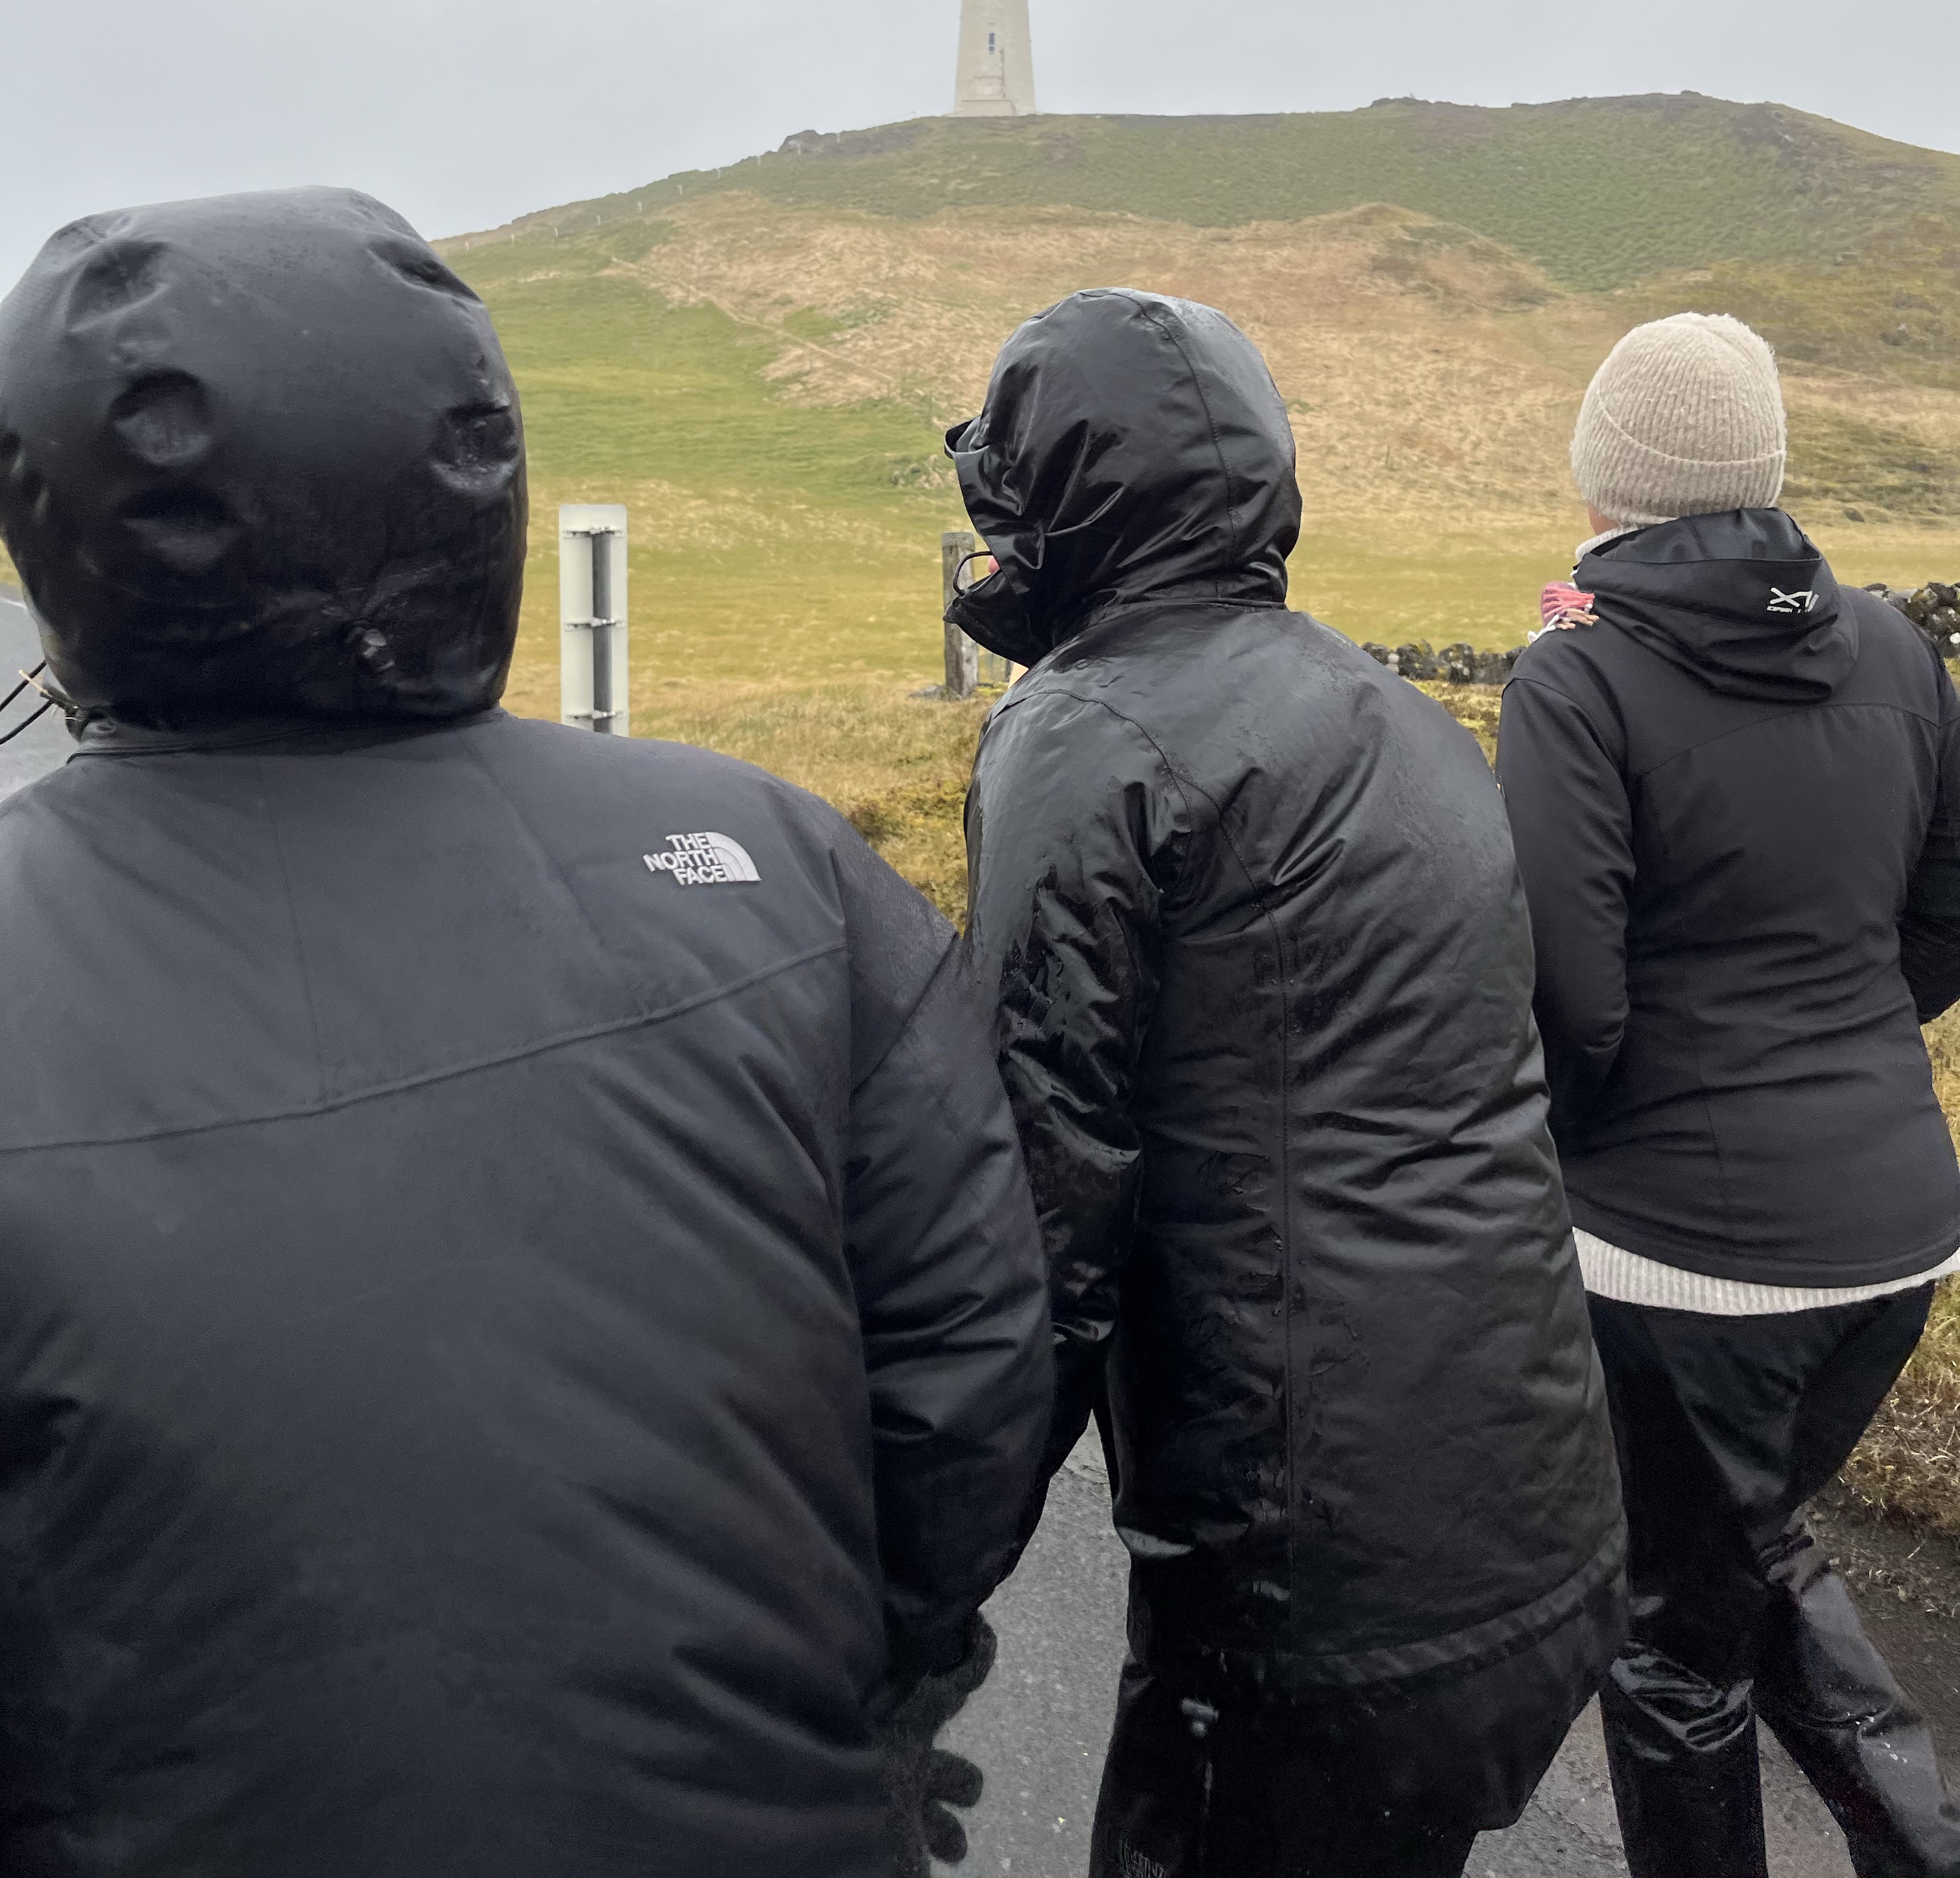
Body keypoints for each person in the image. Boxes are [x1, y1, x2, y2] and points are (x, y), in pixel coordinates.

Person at [0, 186, 1051, 1878]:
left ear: (54, 518)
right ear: (477, 471)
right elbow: (969, 1368)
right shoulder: (776, 860)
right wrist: (853, 1690)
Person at [945, 286, 1627, 1878]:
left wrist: (914, 1588)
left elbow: (1035, 1228)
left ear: (1064, 506)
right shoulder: (1391, 711)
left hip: (1306, 1600)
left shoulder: (1086, 738)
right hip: (1531, 1531)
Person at [1497, 309, 1960, 1877]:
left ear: (1609, 474)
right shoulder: (1893, 645)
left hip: (1684, 1264)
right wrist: (1839, 1046)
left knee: (1665, 1644)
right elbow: (1947, 913)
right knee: (1739, 1548)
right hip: (1897, 1235)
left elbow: (1567, 1002)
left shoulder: (1577, 675)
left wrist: (1579, 1157)